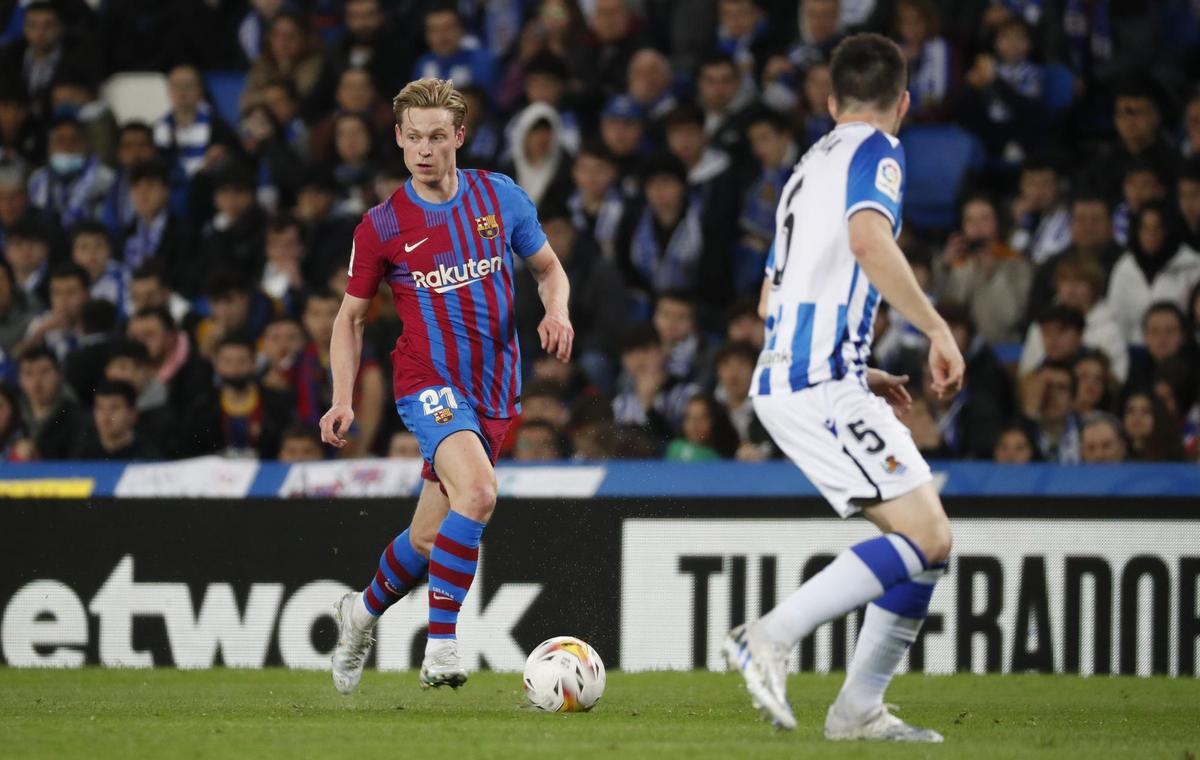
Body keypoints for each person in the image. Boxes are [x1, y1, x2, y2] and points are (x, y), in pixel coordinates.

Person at [725, 34, 961, 742]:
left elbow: (771, 301)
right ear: (904, 104)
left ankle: (858, 709)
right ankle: (769, 635)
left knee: (924, 542)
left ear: (830, 102)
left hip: (809, 373)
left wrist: (863, 368)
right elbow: (867, 240)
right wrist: (937, 330)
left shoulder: (803, 170)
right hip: (816, 380)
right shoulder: (879, 154)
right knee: (928, 534)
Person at [321, 78, 573, 694]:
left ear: (459, 137)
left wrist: (557, 310)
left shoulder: (499, 198)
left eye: (438, 136)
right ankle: (441, 645)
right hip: (426, 381)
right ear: (399, 141)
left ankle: (358, 615)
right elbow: (350, 318)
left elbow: (548, 270)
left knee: (430, 536)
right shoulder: (381, 226)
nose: (426, 149)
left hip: (495, 391)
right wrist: (342, 397)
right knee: (481, 494)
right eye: (414, 138)